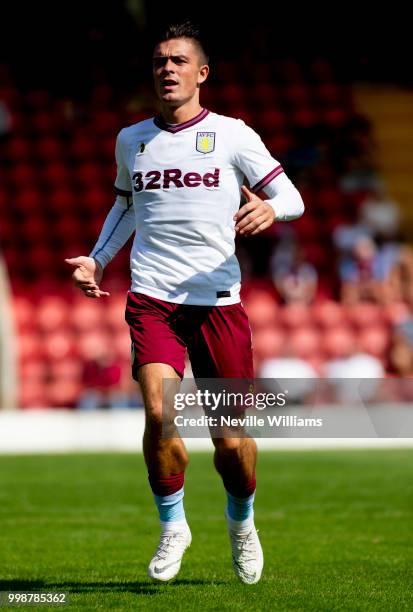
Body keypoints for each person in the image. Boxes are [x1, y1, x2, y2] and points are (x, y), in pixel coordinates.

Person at [66, 21, 304, 584]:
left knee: (232, 444)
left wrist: (273, 211)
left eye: (177, 61)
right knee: (158, 414)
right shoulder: (132, 139)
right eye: (158, 62)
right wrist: (98, 259)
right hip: (154, 299)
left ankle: (241, 521)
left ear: (201, 74)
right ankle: (173, 524)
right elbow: (125, 206)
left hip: (218, 302)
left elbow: (289, 195)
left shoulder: (233, 135)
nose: (166, 69)